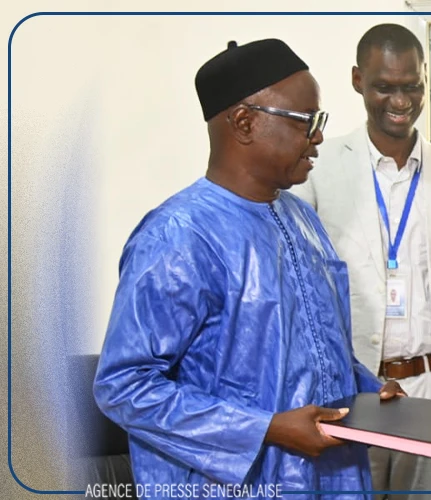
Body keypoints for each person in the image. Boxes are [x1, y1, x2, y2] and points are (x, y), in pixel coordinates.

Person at [92, 38, 404, 499]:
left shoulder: (303, 220)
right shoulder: (178, 235)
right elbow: (124, 386)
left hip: (331, 478)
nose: (318, 136)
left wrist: (369, 393)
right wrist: (266, 429)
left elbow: (317, 348)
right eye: (306, 121)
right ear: (244, 122)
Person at [289, 24, 431, 499]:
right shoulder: (316, 170)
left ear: (425, 80)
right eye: (384, 87)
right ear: (358, 80)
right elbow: (300, 293)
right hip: (351, 395)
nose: (400, 101)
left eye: (411, 86)